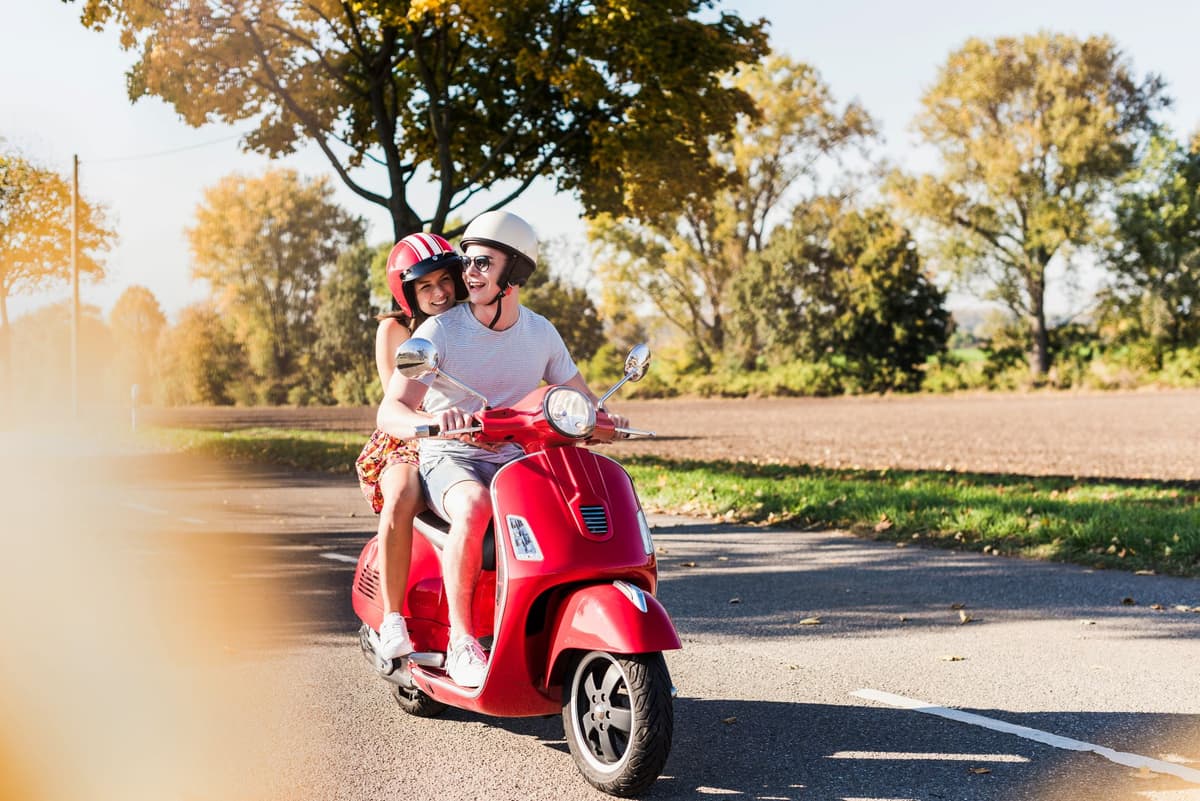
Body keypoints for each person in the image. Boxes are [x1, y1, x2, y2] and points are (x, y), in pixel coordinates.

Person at [376, 210, 626, 688]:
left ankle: (550, 626)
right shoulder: (439, 331)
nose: (468, 273)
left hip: (516, 457)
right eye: (467, 261)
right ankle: (462, 641)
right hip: (451, 457)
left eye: (483, 263)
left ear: (514, 271)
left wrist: (605, 420)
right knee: (473, 505)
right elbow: (391, 411)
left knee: (571, 508)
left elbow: (582, 397)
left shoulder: (540, 332)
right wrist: (434, 422)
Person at [355, 232, 466, 659]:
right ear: (407, 293)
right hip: (412, 435)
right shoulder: (395, 329)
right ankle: (393, 618)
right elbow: (397, 399)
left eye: (445, 281)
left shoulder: (469, 320)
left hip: (467, 433)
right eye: (426, 286)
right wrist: (438, 420)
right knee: (403, 491)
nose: (439, 293)